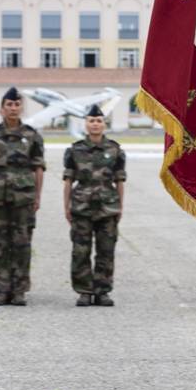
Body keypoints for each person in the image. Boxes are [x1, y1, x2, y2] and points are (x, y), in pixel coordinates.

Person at [0, 87, 44, 305]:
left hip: (23, 200)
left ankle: (19, 290)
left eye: (16, 105)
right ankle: (0, 289)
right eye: (9, 105)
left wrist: (37, 197)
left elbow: (38, 169)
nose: (13, 109)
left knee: (22, 244)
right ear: (1, 109)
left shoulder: (32, 136)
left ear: (22, 108)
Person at [63, 104, 126, 306]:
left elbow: (120, 181)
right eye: (91, 121)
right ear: (86, 125)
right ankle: (84, 291)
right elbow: (68, 181)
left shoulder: (114, 150)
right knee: (80, 251)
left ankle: (102, 291)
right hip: (81, 206)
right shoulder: (75, 150)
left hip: (108, 207)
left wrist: (120, 206)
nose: (95, 124)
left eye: (99, 120)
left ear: (104, 124)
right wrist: (66, 206)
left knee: (106, 250)